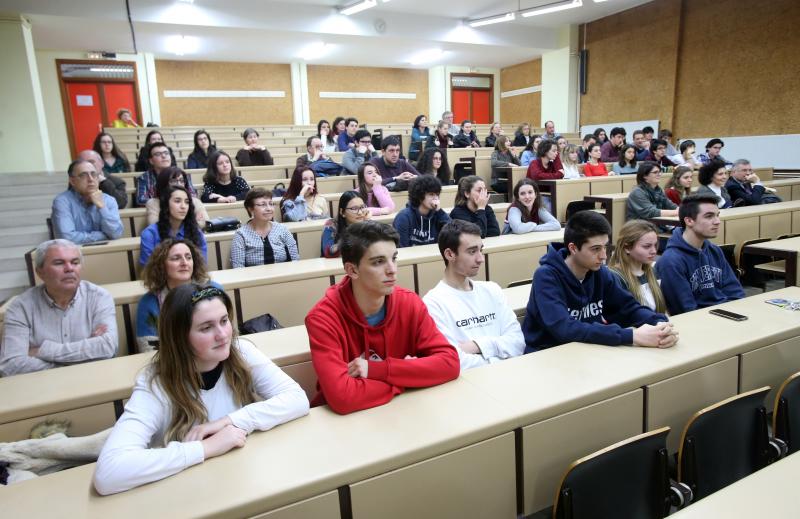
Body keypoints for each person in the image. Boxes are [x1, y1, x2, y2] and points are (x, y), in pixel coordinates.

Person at [93, 283, 309, 495]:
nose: (223, 334)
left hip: (238, 482)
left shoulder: (240, 351)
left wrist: (230, 421)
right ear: (179, 338)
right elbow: (109, 473)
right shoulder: (155, 382)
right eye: (206, 328)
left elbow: (297, 399)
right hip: (187, 493)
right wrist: (206, 448)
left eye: (224, 321)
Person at [305, 221, 459, 414]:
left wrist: (378, 371)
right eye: (378, 262)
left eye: (394, 258)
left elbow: (450, 363)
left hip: (400, 414)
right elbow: (342, 397)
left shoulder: (410, 303)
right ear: (352, 270)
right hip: (343, 425)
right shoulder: (322, 319)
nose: (392, 269)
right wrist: (407, 378)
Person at [521, 210, 677, 352]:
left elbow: (628, 308)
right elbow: (564, 329)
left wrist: (659, 323)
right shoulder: (546, 276)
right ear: (573, 248)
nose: (604, 256)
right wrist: (632, 336)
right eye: (596, 249)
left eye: (605, 247)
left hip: (588, 350)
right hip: (547, 354)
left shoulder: (600, 272)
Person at [0, 239, 117, 377]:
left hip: (94, 380)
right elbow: (11, 365)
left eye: (75, 262)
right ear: (40, 272)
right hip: (42, 389)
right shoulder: (20, 307)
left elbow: (107, 347)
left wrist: (42, 351)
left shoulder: (99, 297)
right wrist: (84, 356)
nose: (69, 268)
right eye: (59, 263)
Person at [424, 220, 525, 370]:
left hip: (509, 377)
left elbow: (518, 343)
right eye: (472, 251)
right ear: (450, 254)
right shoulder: (433, 303)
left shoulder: (492, 290)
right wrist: (500, 355)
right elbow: (455, 361)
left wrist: (477, 346)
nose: (480, 259)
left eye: (480, 250)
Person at [656, 195, 745, 315]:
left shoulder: (714, 250)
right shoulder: (671, 261)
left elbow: (736, 292)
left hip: (726, 316)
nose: (717, 221)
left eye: (717, 215)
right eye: (709, 216)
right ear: (689, 221)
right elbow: (686, 310)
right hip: (700, 324)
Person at [136, 239, 218, 352]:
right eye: (176, 258)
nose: (184, 262)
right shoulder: (149, 302)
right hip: (173, 365)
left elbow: (229, 334)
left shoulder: (213, 290)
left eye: (188, 257)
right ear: (162, 265)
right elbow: (149, 349)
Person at [52, 159, 124, 244]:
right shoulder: (62, 202)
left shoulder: (109, 200)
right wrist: (103, 236)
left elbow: (115, 234)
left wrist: (102, 207)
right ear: (72, 181)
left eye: (94, 174)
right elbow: (67, 238)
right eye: (83, 175)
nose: (90, 179)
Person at [608, 220, 668, 313]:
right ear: (627, 248)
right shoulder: (615, 277)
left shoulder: (653, 271)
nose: (654, 251)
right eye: (646, 246)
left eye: (655, 245)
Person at [140, 186, 207, 266]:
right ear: (166, 205)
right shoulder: (150, 234)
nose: (183, 206)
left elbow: (202, 265)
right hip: (160, 278)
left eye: (187, 202)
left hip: (192, 277)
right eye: (177, 201)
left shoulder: (196, 232)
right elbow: (148, 269)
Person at [231, 188, 299, 268]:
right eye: (263, 205)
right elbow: (238, 268)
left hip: (283, 277)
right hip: (254, 278)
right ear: (250, 209)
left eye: (271, 204)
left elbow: (295, 260)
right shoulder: (241, 234)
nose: (269, 208)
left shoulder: (282, 229)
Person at [393, 175, 451, 247]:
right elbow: (401, 247)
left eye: (437, 195)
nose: (435, 198)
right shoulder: (403, 217)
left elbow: (453, 233)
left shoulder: (438, 215)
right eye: (431, 194)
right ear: (420, 195)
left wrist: (439, 211)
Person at [321, 191, 371, 258]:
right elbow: (328, 252)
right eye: (354, 208)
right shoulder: (331, 225)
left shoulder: (367, 224)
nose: (360, 212)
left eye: (362, 207)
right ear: (342, 212)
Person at [136, 142, 173, 207]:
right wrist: (170, 201)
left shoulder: (182, 175)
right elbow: (141, 200)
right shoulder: (144, 178)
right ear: (151, 161)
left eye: (166, 153)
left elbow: (192, 195)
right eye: (158, 154)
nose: (164, 156)